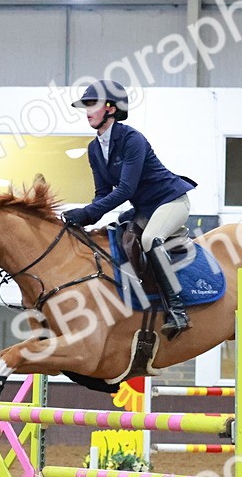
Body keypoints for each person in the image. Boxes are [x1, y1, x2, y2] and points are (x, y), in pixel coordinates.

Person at [62, 80, 197, 338]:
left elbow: (125, 189)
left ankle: (178, 311)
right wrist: (84, 218)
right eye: (86, 106)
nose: (87, 111)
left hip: (171, 201)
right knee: (115, 238)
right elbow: (103, 193)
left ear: (111, 108)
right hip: (144, 209)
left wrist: (88, 212)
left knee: (149, 240)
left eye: (92, 105)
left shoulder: (132, 139)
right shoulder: (94, 148)